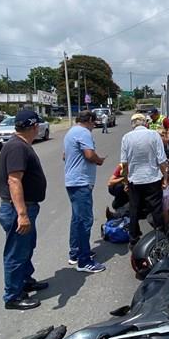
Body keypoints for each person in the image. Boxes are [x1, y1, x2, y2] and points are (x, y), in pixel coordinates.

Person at [0, 110, 48, 310]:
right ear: (35, 127)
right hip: (17, 209)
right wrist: (22, 214)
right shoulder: (17, 147)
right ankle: (13, 296)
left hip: (25, 207)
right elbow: (14, 180)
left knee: (26, 248)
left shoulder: (19, 144)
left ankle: (25, 280)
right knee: (16, 253)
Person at [63, 110, 106, 273]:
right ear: (89, 120)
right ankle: (84, 260)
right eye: (94, 123)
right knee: (85, 221)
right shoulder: (83, 132)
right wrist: (99, 160)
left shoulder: (70, 133)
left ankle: (75, 253)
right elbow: (89, 155)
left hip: (72, 181)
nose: (94, 126)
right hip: (81, 182)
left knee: (77, 219)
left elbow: (64, 156)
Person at [121, 113, 169, 247]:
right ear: (145, 123)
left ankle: (134, 238)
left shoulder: (126, 138)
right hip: (152, 178)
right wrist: (165, 179)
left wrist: (125, 181)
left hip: (134, 180)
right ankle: (160, 236)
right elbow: (162, 160)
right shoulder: (154, 135)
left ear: (132, 125)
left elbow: (124, 164)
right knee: (156, 209)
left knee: (134, 209)